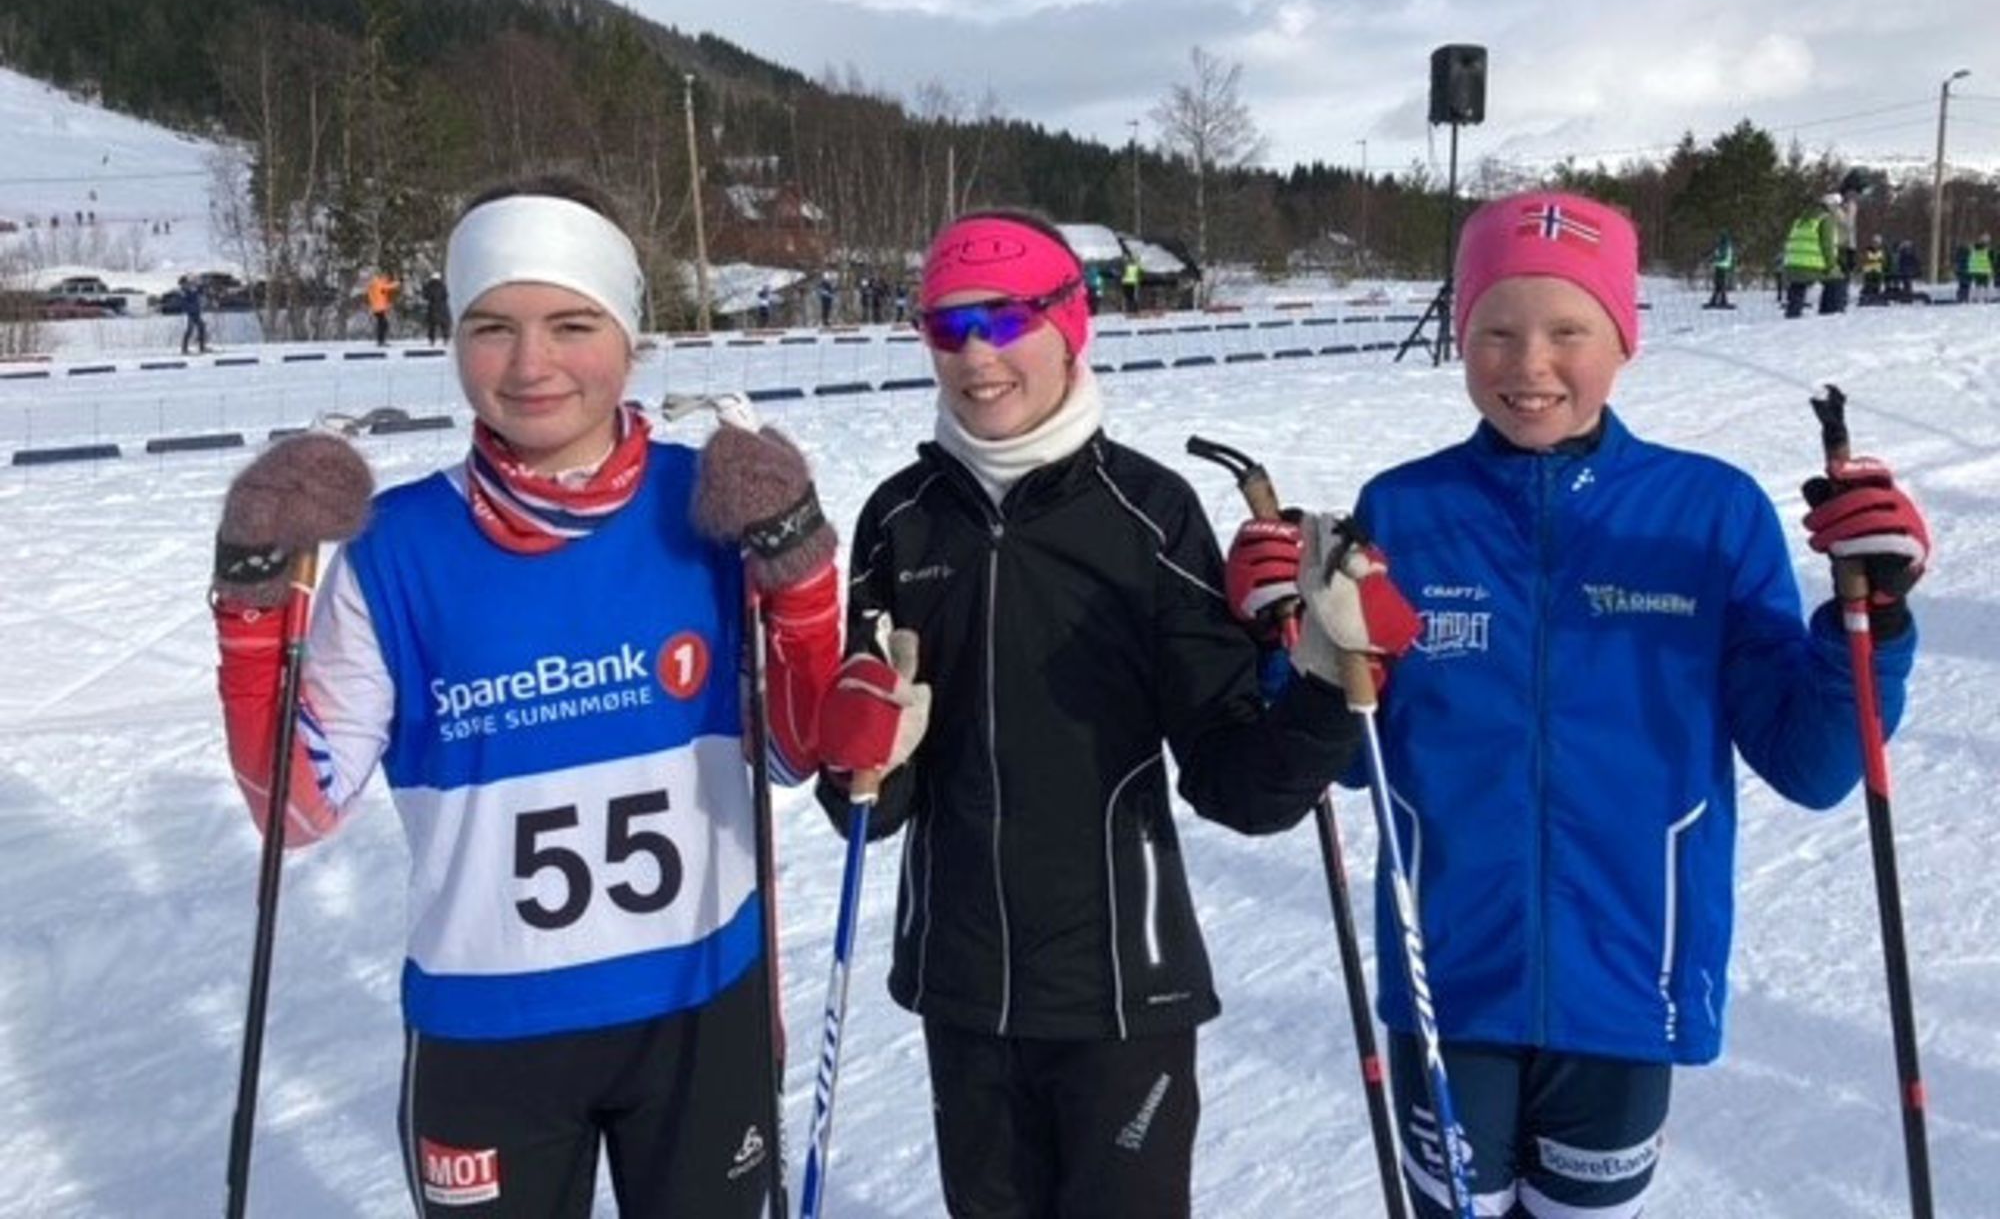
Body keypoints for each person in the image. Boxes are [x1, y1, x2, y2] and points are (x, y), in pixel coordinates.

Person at [1228, 190, 1927, 1218]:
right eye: (1495, 332)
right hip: (1447, 986)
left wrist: (1873, 618)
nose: (1528, 366)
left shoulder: (1707, 514)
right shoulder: (1402, 511)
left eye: (1567, 331)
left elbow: (1814, 761)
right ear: (1460, 336)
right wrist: (1283, 637)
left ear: (1622, 338)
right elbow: (1344, 753)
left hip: (1627, 981)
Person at [208, 175, 844, 1217]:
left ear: (629, 335)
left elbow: (794, 748)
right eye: (491, 326)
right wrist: (251, 607)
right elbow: (295, 807)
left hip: (696, 1009)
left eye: (571, 323)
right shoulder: (395, 545)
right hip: (487, 1033)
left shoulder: (715, 503)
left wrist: (801, 574)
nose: (531, 363)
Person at [814, 207, 1366, 1218]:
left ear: (1070, 323)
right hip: (961, 990)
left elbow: (1239, 786)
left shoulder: (1147, 516)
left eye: (1006, 318)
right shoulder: (897, 520)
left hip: (1122, 991)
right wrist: (852, 755)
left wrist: (1332, 683)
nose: (977, 356)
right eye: (947, 325)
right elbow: (867, 810)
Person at [1780, 201, 1834, 318]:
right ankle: (1830, 310)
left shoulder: (1799, 220)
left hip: (1792, 261)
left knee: (1797, 287)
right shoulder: (1824, 219)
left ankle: (1792, 311)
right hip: (1810, 263)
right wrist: (1830, 264)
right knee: (1835, 280)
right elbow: (1827, 244)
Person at [366, 269, 401, 347]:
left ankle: (381, 340)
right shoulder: (378, 283)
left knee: (382, 324)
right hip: (379, 307)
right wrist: (397, 282)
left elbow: (384, 289)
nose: (387, 279)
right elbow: (388, 287)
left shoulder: (373, 284)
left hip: (377, 307)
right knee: (383, 324)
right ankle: (381, 341)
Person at [1704, 229, 1735, 309]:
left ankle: (1721, 301)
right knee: (1718, 285)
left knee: (1720, 284)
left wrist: (1713, 260)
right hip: (1720, 266)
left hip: (1722, 266)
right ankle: (1717, 300)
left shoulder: (1724, 245)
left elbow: (1722, 256)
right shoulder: (1722, 245)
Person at [178, 274, 208, 354]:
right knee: (194, 329)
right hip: (192, 313)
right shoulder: (183, 292)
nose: (187, 284)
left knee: (198, 328)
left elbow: (196, 294)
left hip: (195, 312)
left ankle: (200, 347)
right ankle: (188, 349)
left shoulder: (188, 290)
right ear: (182, 284)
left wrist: (200, 287)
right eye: (185, 283)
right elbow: (186, 303)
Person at [420, 272, 450, 345]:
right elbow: (446, 295)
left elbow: (425, 296)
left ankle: (432, 340)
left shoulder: (429, 286)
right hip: (442, 307)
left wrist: (424, 288)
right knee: (444, 324)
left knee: (432, 325)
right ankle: (445, 338)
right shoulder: (442, 286)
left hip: (432, 307)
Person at [1858, 235, 1888, 305]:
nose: (1875, 244)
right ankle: (1867, 296)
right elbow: (1864, 259)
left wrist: (1878, 262)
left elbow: (1884, 261)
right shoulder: (1867, 250)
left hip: (1878, 271)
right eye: (1874, 242)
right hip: (1869, 271)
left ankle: (1876, 296)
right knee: (1869, 284)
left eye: (1877, 243)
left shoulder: (1882, 251)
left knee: (1877, 284)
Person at [1971, 234, 1994, 301]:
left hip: (1976, 270)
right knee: (1986, 286)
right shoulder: (1988, 250)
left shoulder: (1974, 249)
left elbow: (1972, 259)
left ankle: (1975, 299)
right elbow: (1991, 260)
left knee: (1977, 286)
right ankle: (1987, 299)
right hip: (1985, 270)